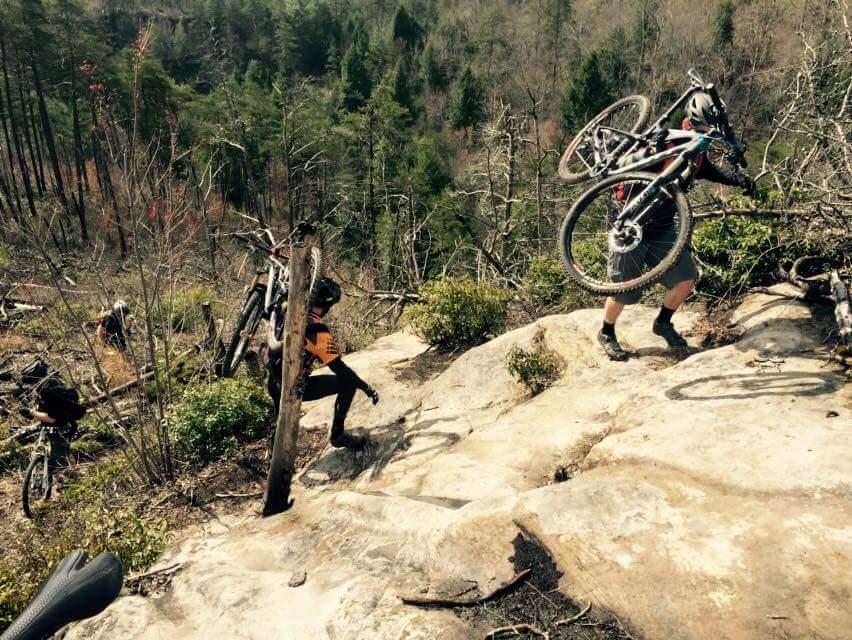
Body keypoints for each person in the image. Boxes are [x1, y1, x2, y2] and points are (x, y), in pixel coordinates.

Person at [598, 92, 756, 361]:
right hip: (631, 224)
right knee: (623, 289)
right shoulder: (667, 142)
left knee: (686, 279)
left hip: (663, 226)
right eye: (701, 129)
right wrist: (652, 146)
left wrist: (740, 180)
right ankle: (606, 332)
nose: (705, 135)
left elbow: (714, 172)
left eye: (709, 131)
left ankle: (662, 323)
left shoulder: (698, 155)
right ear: (689, 124)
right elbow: (628, 165)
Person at [262, 278, 379, 450]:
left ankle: (274, 455)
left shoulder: (285, 310)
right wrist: (365, 387)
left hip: (273, 382)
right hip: (293, 387)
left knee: (281, 422)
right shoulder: (319, 332)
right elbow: (340, 369)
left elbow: (266, 313)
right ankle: (338, 436)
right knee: (348, 384)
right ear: (326, 307)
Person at [17, 358, 87, 470]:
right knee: (63, 453)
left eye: (32, 383)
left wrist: (31, 412)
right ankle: (71, 470)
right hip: (61, 425)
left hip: (60, 427)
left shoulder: (51, 392)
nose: (32, 387)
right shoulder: (51, 384)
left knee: (56, 463)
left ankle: (65, 477)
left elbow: (52, 419)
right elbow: (45, 409)